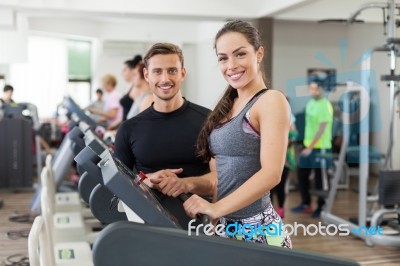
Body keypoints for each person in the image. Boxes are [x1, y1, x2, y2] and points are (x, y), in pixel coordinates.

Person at [150, 20, 292, 248]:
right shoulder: (229, 105)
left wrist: (216, 208)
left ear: (259, 54)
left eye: (240, 54)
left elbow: (271, 174)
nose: (231, 65)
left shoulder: (270, 100)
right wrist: (184, 184)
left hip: (256, 228)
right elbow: (221, 178)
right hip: (226, 225)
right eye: (223, 58)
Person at [114, 42, 212, 226]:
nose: (165, 78)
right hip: (149, 224)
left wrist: (186, 184)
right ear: (147, 75)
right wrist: (147, 180)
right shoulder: (129, 129)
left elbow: (221, 179)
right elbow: (118, 188)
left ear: (183, 73)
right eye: (157, 71)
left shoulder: (209, 121)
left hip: (199, 223)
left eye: (172, 70)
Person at [291, 77, 333, 218]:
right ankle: (306, 203)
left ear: (321, 89)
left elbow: (321, 129)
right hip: (308, 145)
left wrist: (311, 147)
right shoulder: (310, 103)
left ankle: (322, 207)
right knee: (302, 174)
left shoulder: (325, 105)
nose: (313, 91)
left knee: (321, 179)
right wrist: (305, 145)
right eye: (311, 88)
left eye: (316, 88)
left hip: (320, 147)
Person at [270, 112, 298, 219]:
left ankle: (281, 208)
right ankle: (270, 211)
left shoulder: (289, 115)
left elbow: (294, 135)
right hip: (269, 157)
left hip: (285, 159)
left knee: (280, 186)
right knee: (269, 187)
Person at [120, 55, 143, 121]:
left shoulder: (136, 87)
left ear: (132, 70)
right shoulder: (129, 86)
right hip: (125, 124)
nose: (122, 73)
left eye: (125, 70)